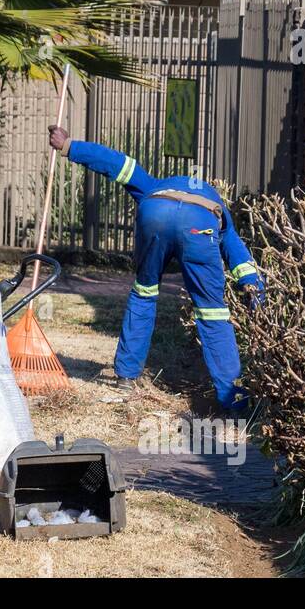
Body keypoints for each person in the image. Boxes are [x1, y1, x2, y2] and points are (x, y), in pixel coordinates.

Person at [48, 125, 263, 412]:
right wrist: (255, 292)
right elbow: (238, 255)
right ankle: (233, 400)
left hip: (154, 214)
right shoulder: (219, 210)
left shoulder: (153, 185)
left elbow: (117, 163)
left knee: (144, 292)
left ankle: (126, 376)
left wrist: (69, 146)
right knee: (213, 311)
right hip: (200, 225)